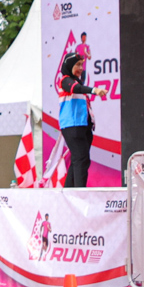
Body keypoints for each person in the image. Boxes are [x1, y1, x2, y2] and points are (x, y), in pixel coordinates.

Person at [55, 51, 95, 188]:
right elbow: (75, 88)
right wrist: (94, 90)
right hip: (73, 125)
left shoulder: (77, 81)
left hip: (83, 125)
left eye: (82, 65)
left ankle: (68, 193)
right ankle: (79, 193)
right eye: (77, 65)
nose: (81, 68)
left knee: (78, 160)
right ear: (69, 65)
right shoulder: (65, 80)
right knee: (81, 159)